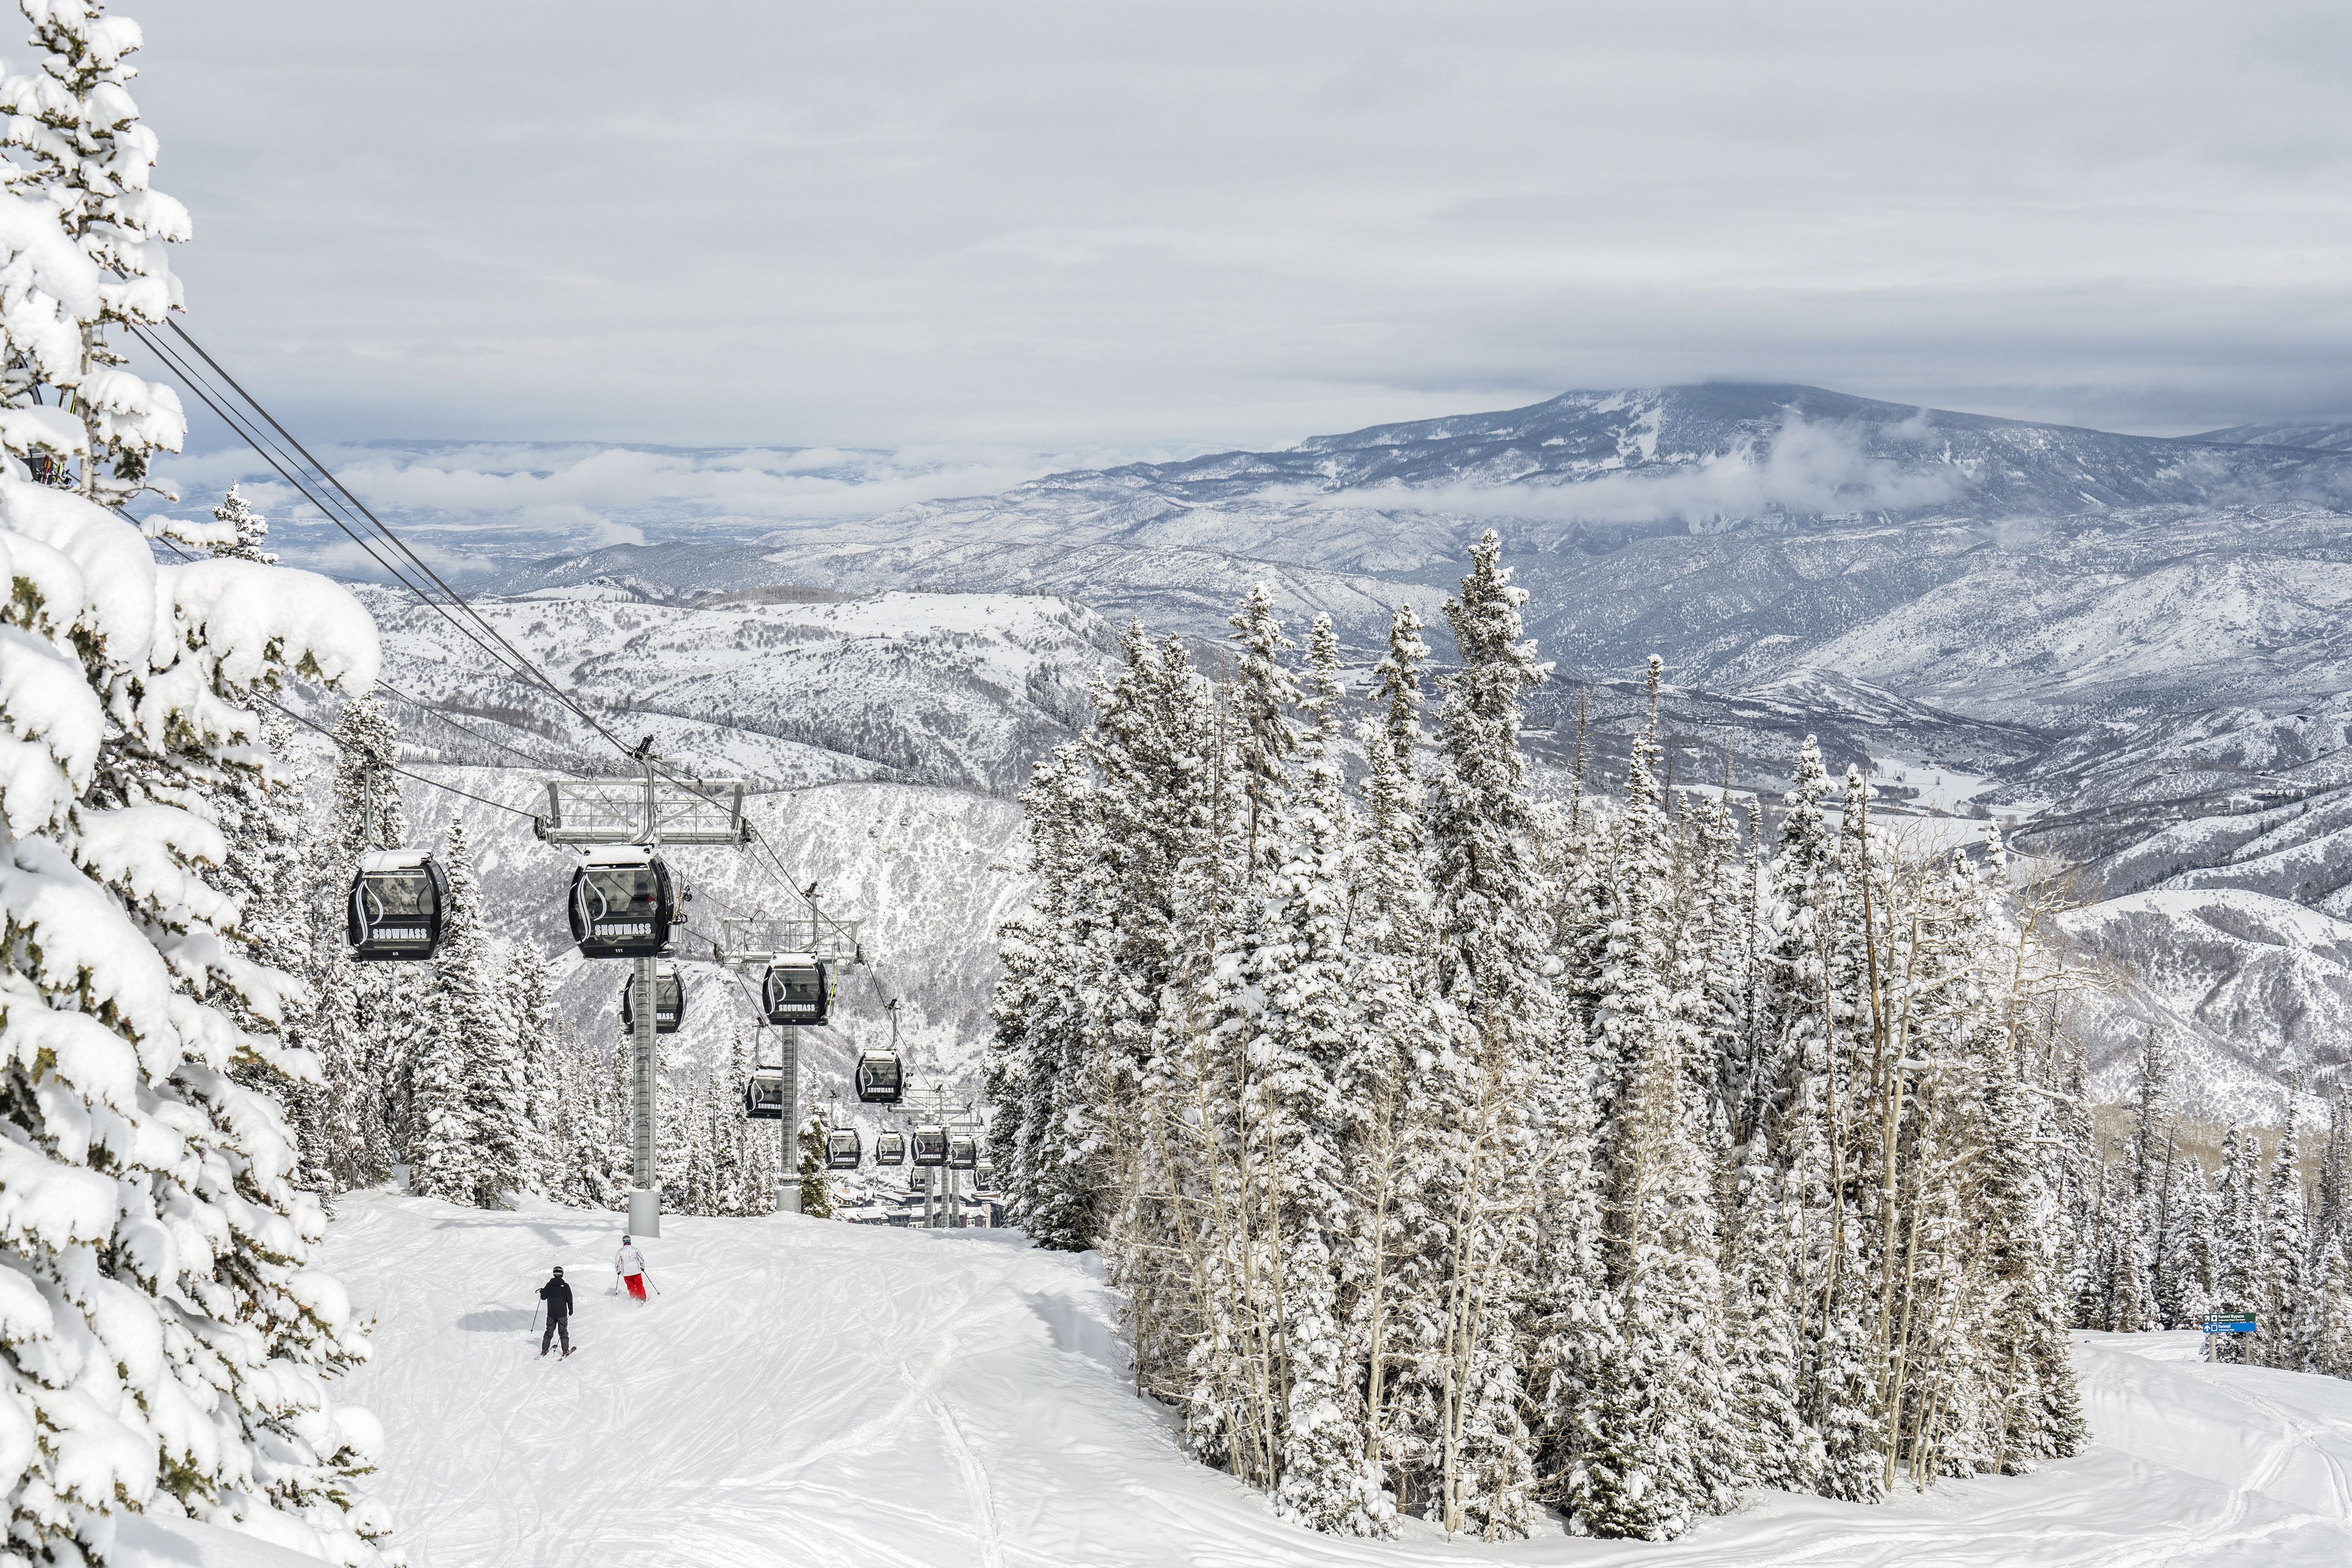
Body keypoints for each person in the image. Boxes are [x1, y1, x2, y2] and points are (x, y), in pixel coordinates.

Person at [538, 1266, 575, 1357]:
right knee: (563, 1333)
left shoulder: (549, 1285)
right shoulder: (565, 1286)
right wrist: (571, 1310)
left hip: (551, 1314)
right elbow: (569, 1299)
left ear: (554, 1274)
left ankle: (544, 1350)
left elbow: (543, 1298)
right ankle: (565, 1351)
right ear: (562, 1274)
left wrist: (542, 1292)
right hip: (562, 1315)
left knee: (549, 1332)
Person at [615, 1235, 650, 1301]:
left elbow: (617, 1263)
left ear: (623, 1242)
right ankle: (643, 1298)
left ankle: (635, 1299)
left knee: (630, 1286)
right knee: (639, 1284)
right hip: (636, 1271)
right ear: (630, 1241)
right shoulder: (635, 1250)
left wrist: (618, 1270)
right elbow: (641, 1259)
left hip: (626, 1273)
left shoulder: (620, 1252)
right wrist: (642, 1266)